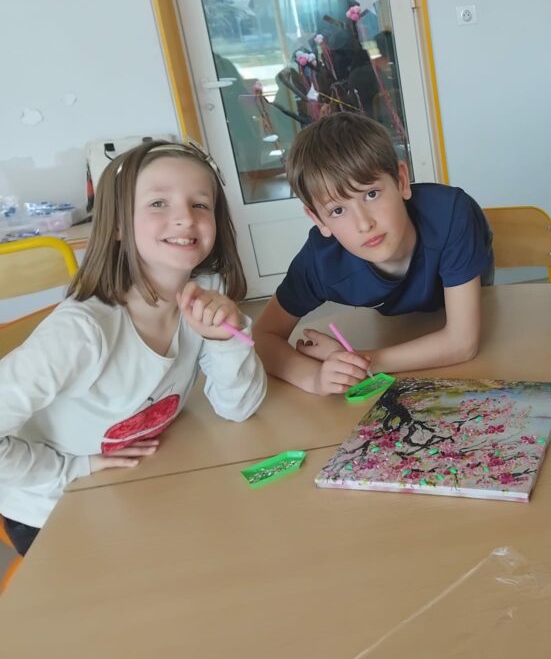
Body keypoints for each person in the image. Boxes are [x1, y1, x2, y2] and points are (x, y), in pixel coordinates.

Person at [0, 141, 267, 555]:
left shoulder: (207, 292)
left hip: (138, 480)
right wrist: (75, 467)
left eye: (200, 204)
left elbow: (239, 407)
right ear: (119, 225)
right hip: (51, 508)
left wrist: (224, 338)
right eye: (158, 203)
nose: (185, 217)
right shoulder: (81, 333)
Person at [253, 112, 493, 396]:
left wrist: (360, 360)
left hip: (464, 300)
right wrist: (315, 377)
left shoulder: (451, 214)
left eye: (371, 194)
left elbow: (463, 342)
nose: (364, 224)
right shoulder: (320, 262)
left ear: (401, 181)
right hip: (398, 325)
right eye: (337, 210)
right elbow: (261, 337)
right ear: (318, 220)